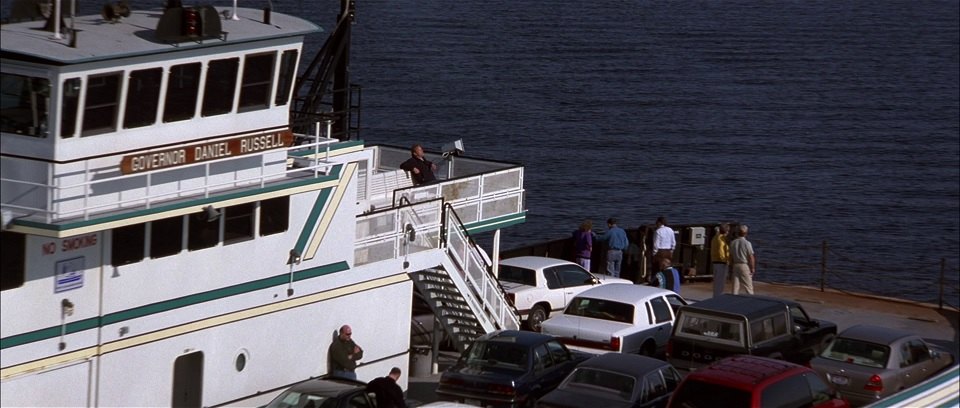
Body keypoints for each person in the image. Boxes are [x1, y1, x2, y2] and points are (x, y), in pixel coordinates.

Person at [729, 224, 756, 295]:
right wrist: (752, 268)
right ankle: (751, 302)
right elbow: (751, 257)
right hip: (743, 265)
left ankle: (733, 301)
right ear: (746, 233)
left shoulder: (733, 243)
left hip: (735, 265)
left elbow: (730, 257)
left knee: (735, 288)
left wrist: (731, 266)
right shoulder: (747, 243)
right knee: (748, 287)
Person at [710, 223, 731, 298]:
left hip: (715, 262)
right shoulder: (721, 239)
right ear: (726, 231)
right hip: (721, 263)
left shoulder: (715, 237)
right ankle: (717, 298)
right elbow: (721, 251)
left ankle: (715, 297)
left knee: (716, 283)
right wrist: (726, 261)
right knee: (720, 284)